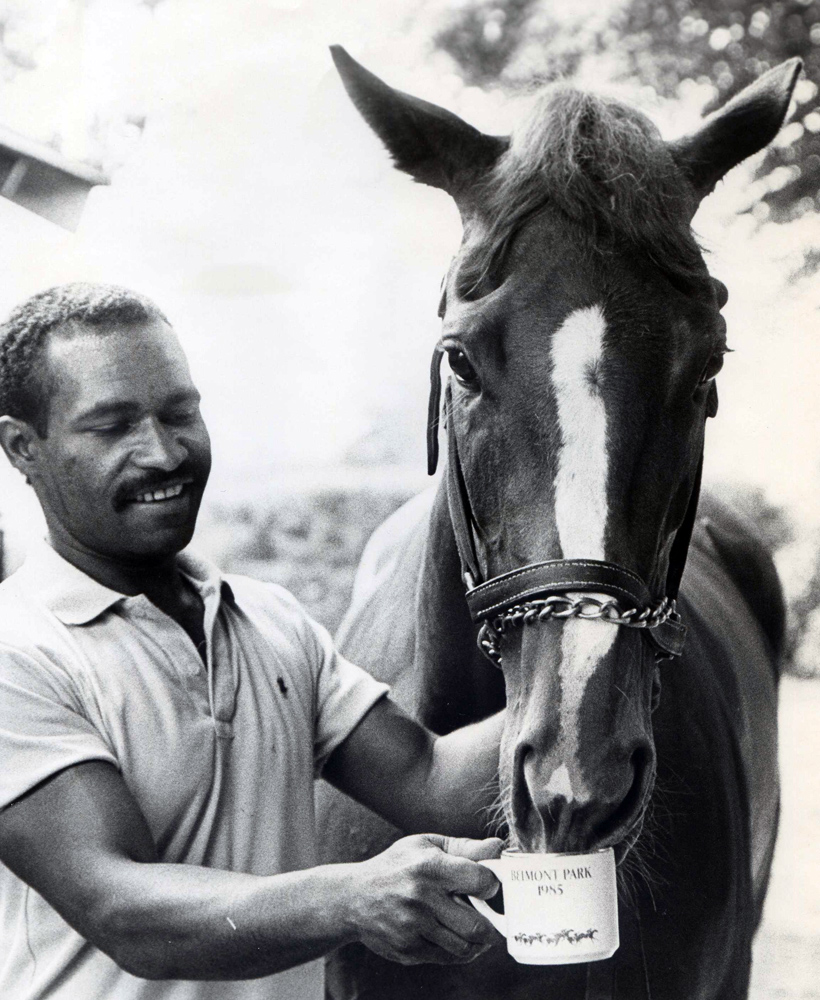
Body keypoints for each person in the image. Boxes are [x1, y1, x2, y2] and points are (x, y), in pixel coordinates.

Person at [0, 283, 505, 1000]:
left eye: (181, 413)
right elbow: (123, 908)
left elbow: (431, 780)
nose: (164, 452)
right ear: (24, 447)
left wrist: (599, 654)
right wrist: (351, 898)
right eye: (112, 427)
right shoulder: (17, 652)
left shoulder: (269, 621)